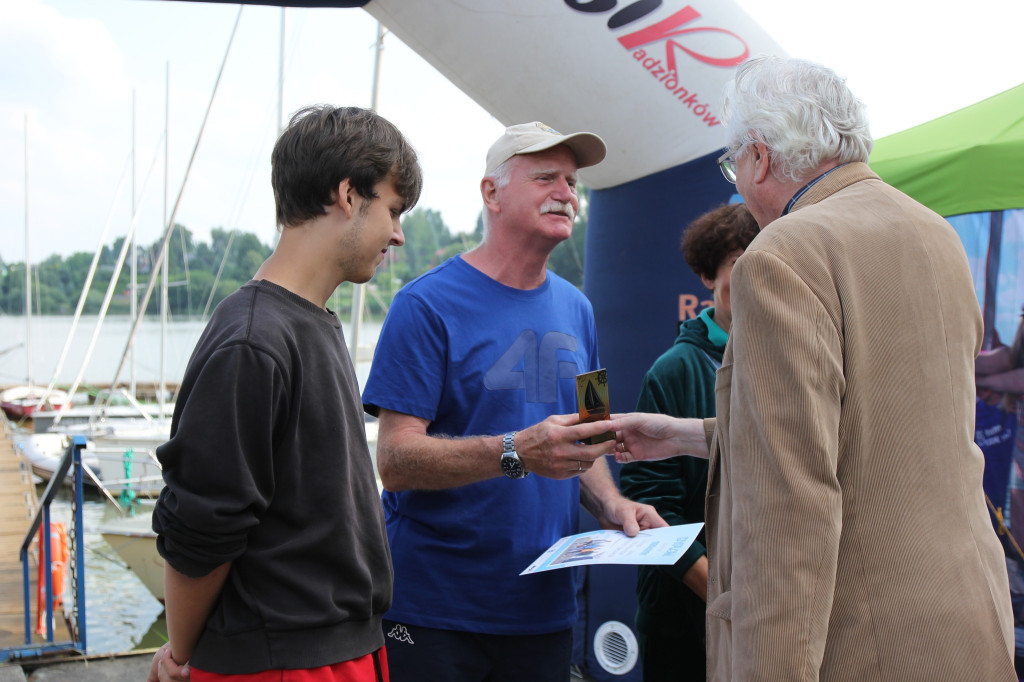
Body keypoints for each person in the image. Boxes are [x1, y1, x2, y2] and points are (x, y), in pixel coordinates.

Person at [597, 56, 1017, 680]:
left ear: (761, 159)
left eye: (732, 165)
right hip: (968, 624)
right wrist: (686, 434)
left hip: (860, 644)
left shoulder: (783, 254)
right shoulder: (936, 235)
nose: (736, 184)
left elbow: (789, 507)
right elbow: (873, 427)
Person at [361, 121, 666, 682]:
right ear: (491, 194)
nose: (567, 194)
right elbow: (395, 463)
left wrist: (613, 507)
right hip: (433, 612)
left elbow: (590, 438)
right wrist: (517, 451)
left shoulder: (580, 310)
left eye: (573, 183)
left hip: (545, 614)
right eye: (546, 177)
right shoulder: (423, 306)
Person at [147, 105, 422, 682]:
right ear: (348, 195)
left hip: (340, 649)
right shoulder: (253, 339)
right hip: (284, 661)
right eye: (393, 209)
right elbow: (202, 527)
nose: (397, 233)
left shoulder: (312, 321)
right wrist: (181, 652)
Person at [618, 202, 758, 681]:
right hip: (685, 619)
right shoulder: (674, 371)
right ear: (707, 276)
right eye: (742, 265)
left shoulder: (790, 366)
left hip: (768, 615)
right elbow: (654, 507)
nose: (757, 278)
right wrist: (726, 604)